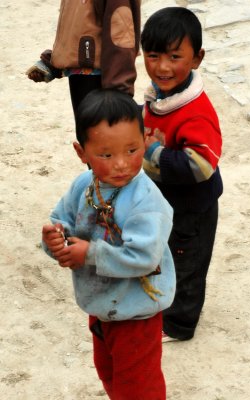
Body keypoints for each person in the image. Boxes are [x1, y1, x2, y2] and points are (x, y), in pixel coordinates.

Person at [42, 89, 176, 400]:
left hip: (136, 314)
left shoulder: (146, 200)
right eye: (106, 154)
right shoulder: (83, 186)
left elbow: (144, 257)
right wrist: (55, 240)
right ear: (82, 152)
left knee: (139, 388)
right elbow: (61, 221)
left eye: (132, 150)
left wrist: (89, 253)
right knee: (109, 372)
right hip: (102, 306)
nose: (120, 164)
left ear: (145, 140)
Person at [140, 7, 223, 342]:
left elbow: (201, 165)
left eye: (175, 56)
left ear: (197, 58)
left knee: (187, 264)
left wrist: (150, 153)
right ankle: (163, 304)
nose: (162, 66)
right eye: (153, 55)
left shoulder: (195, 112)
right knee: (165, 254)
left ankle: (179, 326)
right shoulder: (161, 95)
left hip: (193, 208)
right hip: (166, 200)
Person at [26, 0, 141, 119]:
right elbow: (79, 22)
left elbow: (121, 33)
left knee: (99, 132)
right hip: (83, 70)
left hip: (100, 74)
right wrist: (54, 61)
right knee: (86, 133)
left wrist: (119, 95)